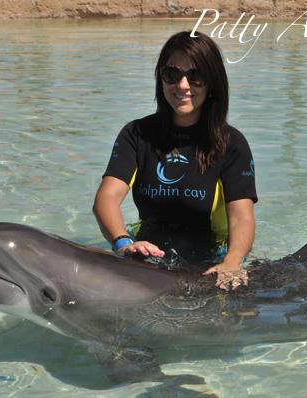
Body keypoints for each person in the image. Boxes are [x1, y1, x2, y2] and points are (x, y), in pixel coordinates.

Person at [93, 31, 257, 290]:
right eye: (172, 74)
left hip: (210, 259)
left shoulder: (231, 143)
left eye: (196, 76)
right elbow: (107, 197)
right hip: (144, 252)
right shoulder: (137, 134)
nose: (183, 85)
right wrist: (122, 242)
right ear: (161, 78)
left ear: (212, 81)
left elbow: (242, 217)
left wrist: (233, 261)